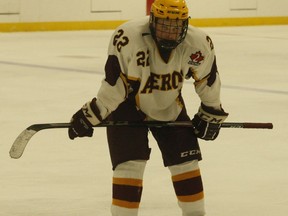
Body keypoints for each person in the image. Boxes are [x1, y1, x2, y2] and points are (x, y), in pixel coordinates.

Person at [68, 0, 228, 215]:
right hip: (127, 106)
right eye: (164, 24)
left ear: (186, 24)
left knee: (187, 163)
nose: (170, 32)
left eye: (176, 26)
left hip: (169, 104)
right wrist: (93, 114)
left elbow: (207, 79)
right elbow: (115, 84)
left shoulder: (199, 42)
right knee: (130, 166)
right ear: (152, 20)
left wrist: (211, 112)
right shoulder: (127, 36)